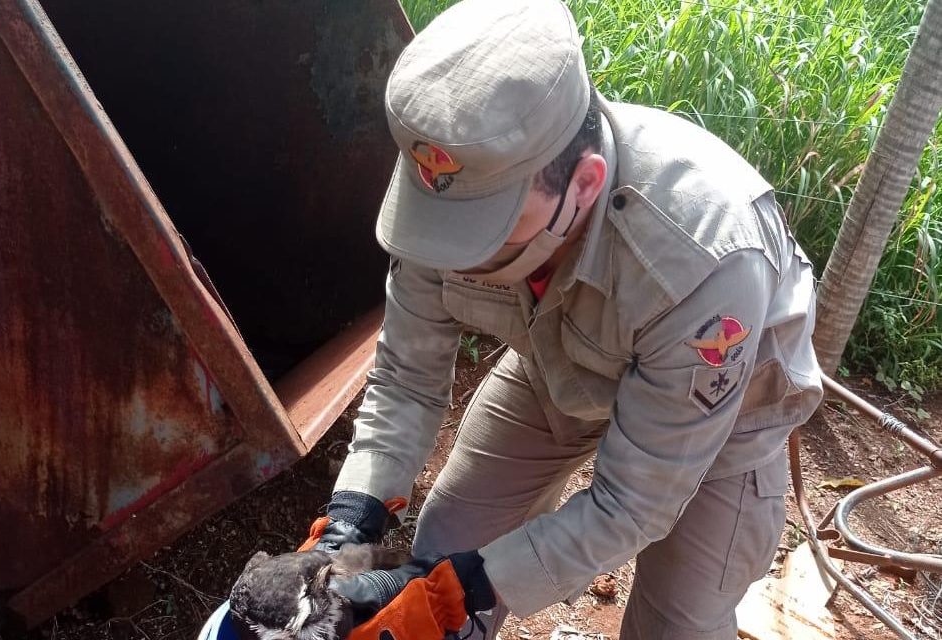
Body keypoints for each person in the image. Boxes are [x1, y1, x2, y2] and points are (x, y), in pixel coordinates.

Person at [313, 1, 824, 638]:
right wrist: (351, 518)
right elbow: (407, 380)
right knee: (442, 546)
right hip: (560, 363)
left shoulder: (701, 258)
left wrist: (469, 583)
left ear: (584, 183)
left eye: (486, 234)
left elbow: (632, 504)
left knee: (678, 623)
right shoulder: (450, 193)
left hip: (719, 420)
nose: (454, 253)